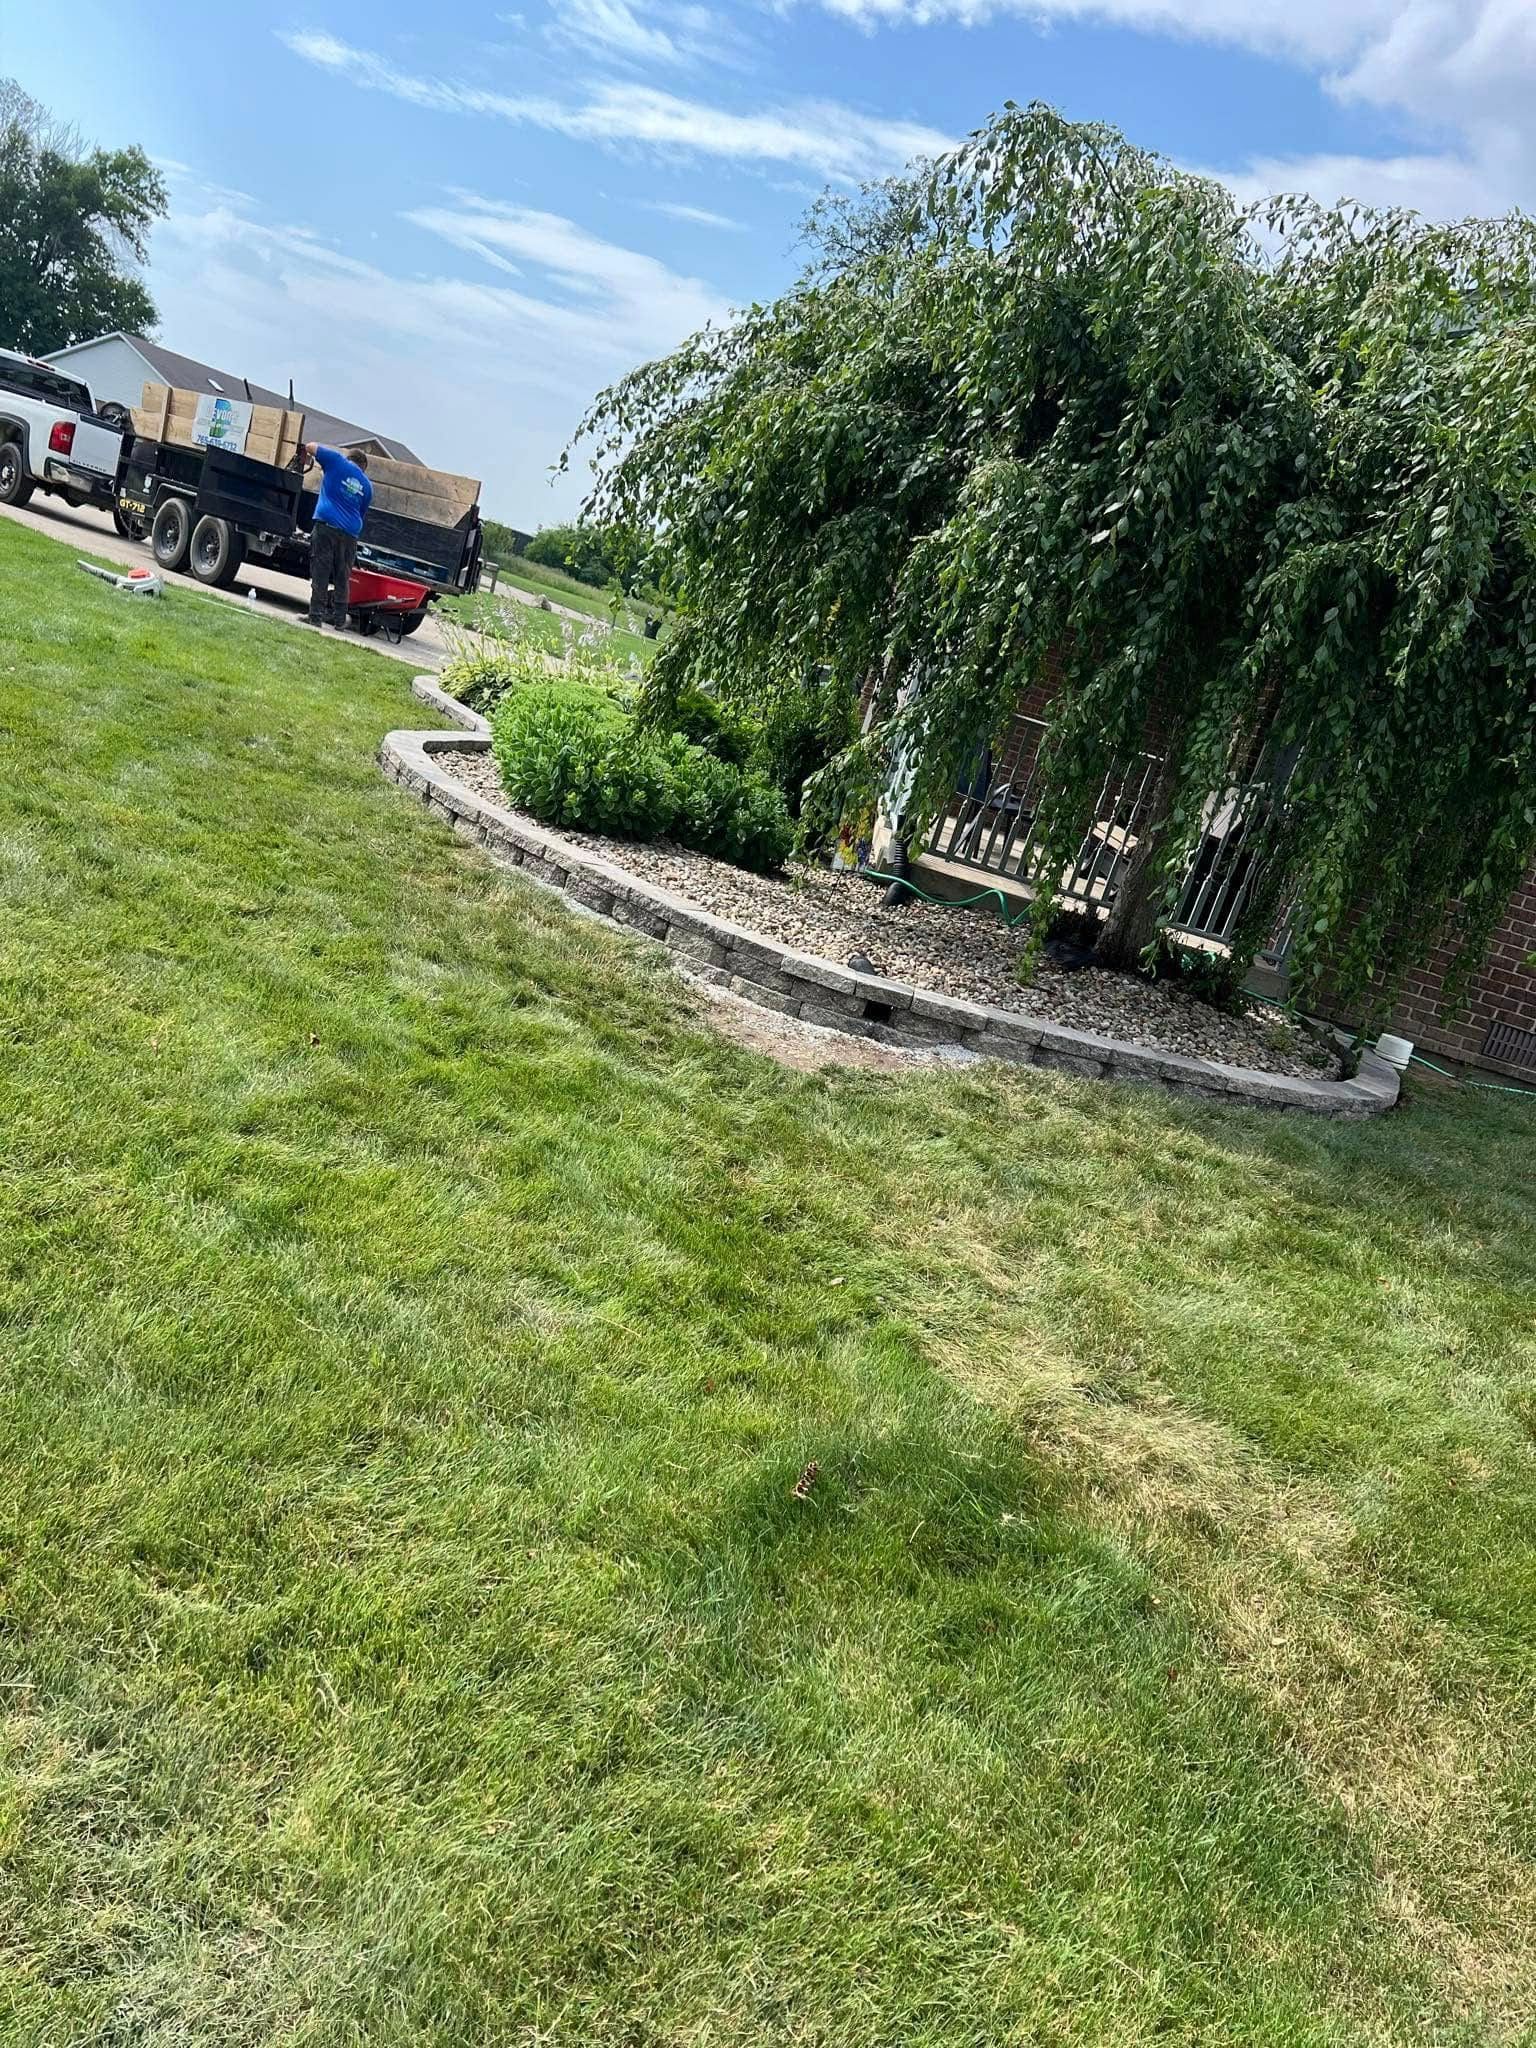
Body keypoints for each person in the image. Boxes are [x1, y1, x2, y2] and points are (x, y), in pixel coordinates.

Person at [305, 442, 372, 629]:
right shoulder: (367, 486)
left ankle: (315, 617)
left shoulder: (336, 461)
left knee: (321, 571)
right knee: (342, 577)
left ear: (349, 458)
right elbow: (361, 512)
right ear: (363, 467)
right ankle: (340, 621)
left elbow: (310, 446)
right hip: (350, 533)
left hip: (326, 527)